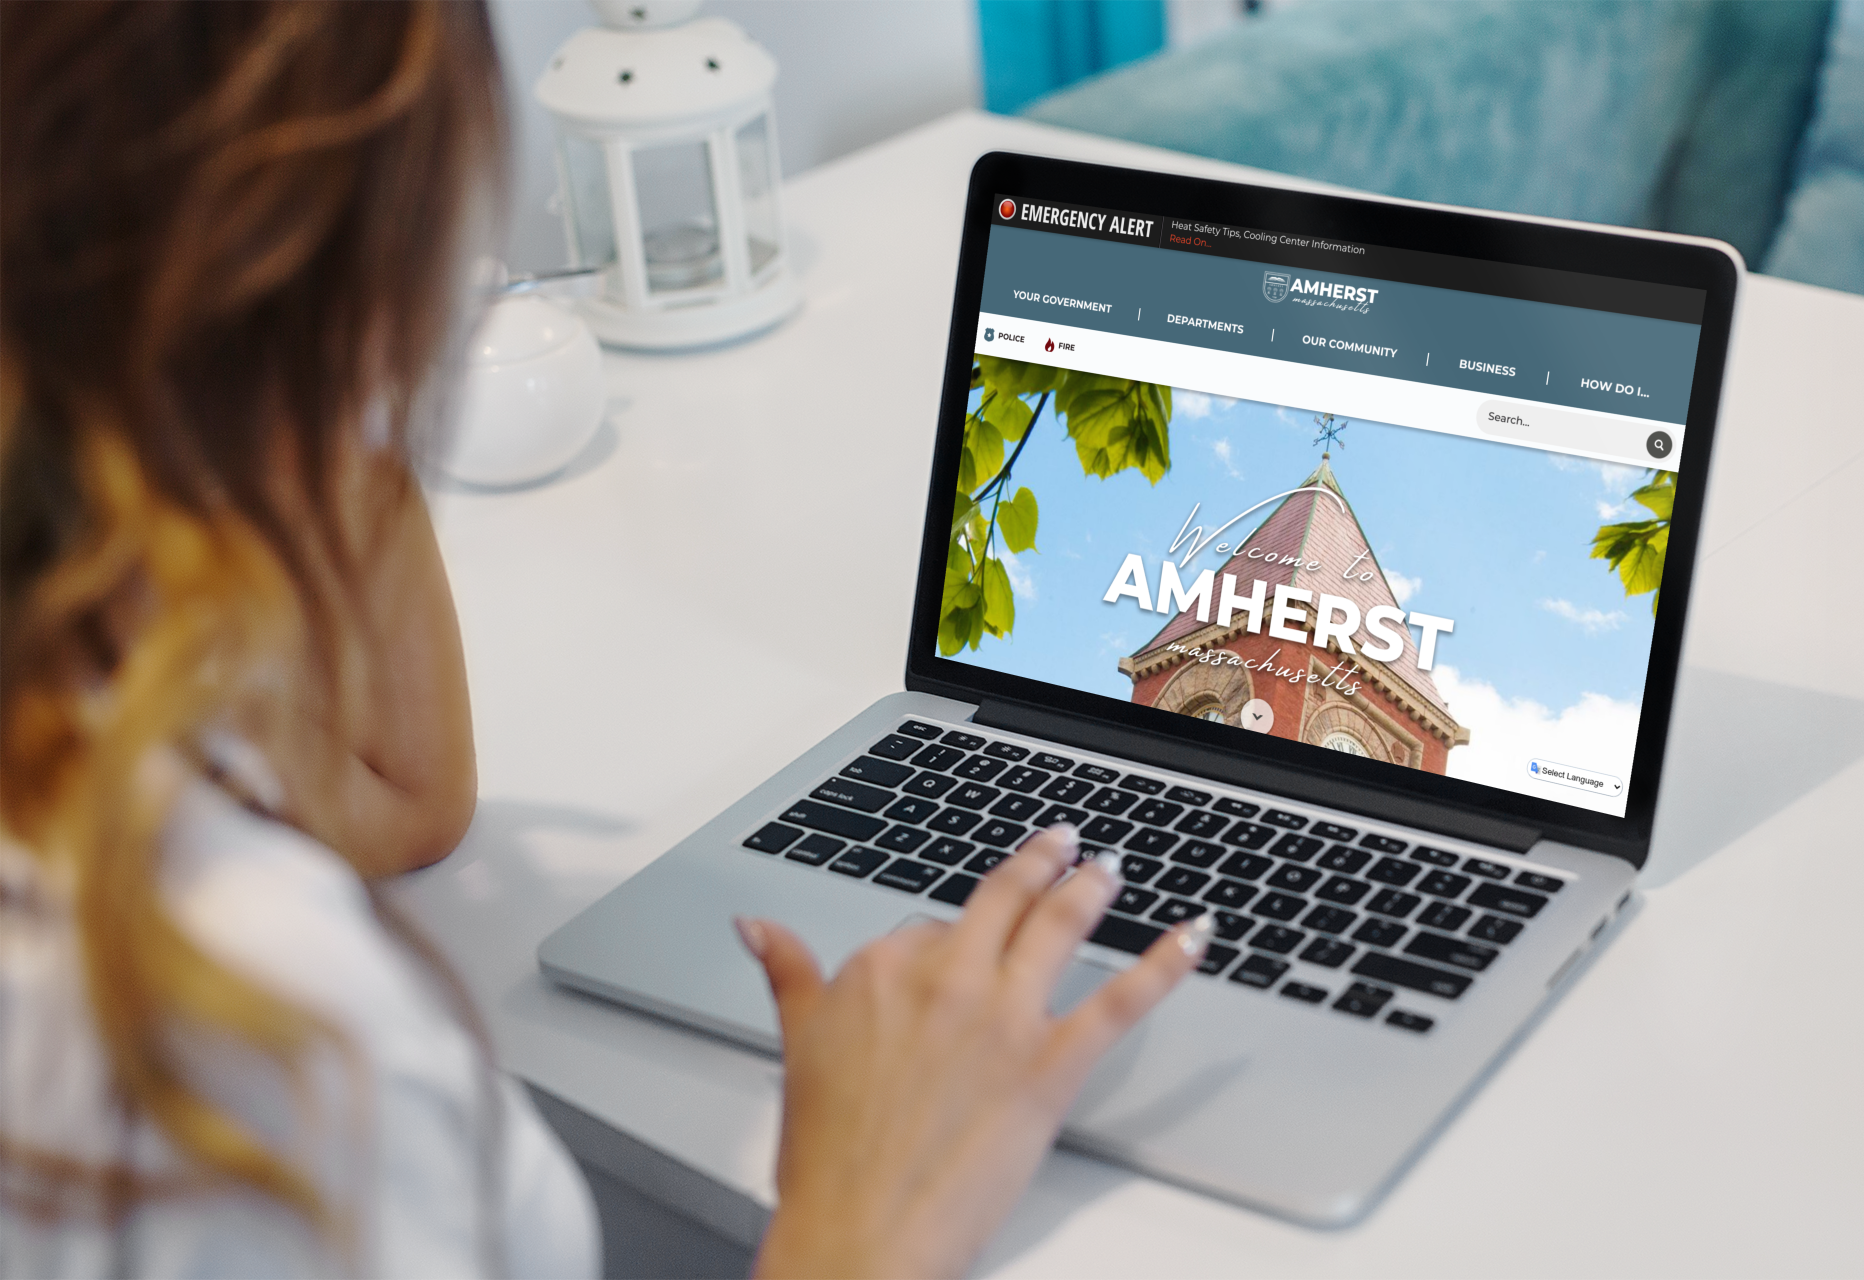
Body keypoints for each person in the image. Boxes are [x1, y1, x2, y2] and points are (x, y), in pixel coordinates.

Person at [0, 3, 1213, 1277]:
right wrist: (856, 1224)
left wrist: (326, 383)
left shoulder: (89, 706)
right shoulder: (247, 1034)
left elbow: (404, 801)